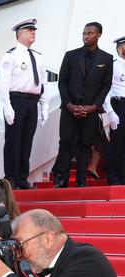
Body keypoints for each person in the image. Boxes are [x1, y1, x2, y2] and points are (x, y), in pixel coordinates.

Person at [53, 23, 114, 188]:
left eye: (90, 33)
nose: (85, 36)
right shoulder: (70, 55)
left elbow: (106, 86)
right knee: (65, 143)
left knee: (85, 145)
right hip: (69, 110)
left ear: (98, 35)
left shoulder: (107, 59)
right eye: (84, 33)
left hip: (91, 111)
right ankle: (62, 180)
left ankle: (81, 181)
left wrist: (94, 106)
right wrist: (69, 105)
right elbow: (62, 82)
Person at [0, 19, 47, 190]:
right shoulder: (10, 55)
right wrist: (7, 106)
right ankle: (10, 177)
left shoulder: (38, 57)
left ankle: (21, 178)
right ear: (20, 33)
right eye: (29, 30)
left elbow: (42, 83)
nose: (33, 32)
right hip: (16, 100)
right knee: (13, 141)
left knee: (27, 141)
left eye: (34, 29)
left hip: (32, 102)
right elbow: (3, 84)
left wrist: (44, 105)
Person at [101, 35, 125, 185]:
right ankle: (114, 177)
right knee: (117, 143)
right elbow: (105, 90)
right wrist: (110, 112)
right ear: (120, 48)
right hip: (119, 105)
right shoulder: (113, 65)